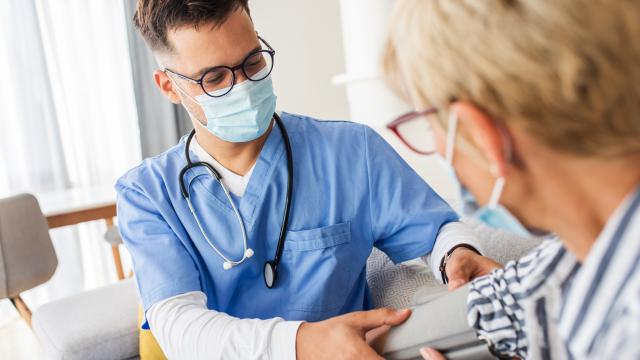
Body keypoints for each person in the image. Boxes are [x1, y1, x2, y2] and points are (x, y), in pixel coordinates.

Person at [116, 1, 499, 358]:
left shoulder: (351, 151)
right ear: (169, 86)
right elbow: (180, 328)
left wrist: (457, 254)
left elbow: (434, 231)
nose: (244, 88)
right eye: (215, 78)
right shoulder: (147, 194)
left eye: (252, 63)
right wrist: (302, 343)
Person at [382, 0, 640, 358]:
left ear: (481, 134)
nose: (438, 149)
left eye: (429, 124)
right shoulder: (571, 255)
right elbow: (506, 297)